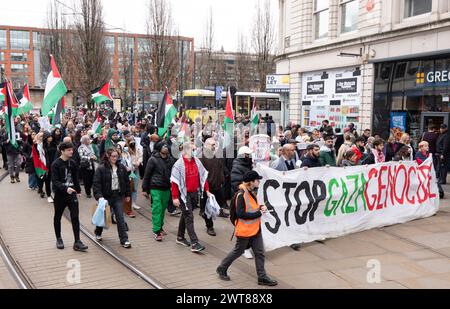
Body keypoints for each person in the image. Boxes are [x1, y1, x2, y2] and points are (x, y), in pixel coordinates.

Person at [216, 171, 278, 287]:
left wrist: (260, 207)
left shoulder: (250, 192)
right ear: (251, 182)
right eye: (257, 180)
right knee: (238, 251)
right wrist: (259, 213)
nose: (259, 181)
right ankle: (222, 267)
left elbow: (251, 208)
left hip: (255, 229)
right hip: (245, 230)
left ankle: (262, 277)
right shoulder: (241, 195)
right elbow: (240, 214)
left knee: (259, 252)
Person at [171, 141, 211, 253]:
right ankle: (194, 243)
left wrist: (207, 190)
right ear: (184, 150)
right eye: (191, 149)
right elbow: (174, 182)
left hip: (194, 193)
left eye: (194, 150)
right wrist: (175, 197)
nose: (194, 151)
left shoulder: (197, 161)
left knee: (186, 214)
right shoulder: (178, 164)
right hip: (183, 194)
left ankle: (180, 237)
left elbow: (203, 176)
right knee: (189, 216)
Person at [51, 142, 88, 252]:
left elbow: (76, 178)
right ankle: (58, 238)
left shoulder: (72, 163)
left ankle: (77, 241)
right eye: (69, 150)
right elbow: (55, 181)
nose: (71, 152)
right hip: (60, 195)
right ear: (62, 151)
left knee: (75, 217)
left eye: (72, 150)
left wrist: (78, 190)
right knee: (58, 216)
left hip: (72, 194)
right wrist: (65, 188)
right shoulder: (55, 164)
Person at [93, 148, 132, 248]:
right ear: (108, 156)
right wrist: (99, 197)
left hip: (118, 196)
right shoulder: (101, 169)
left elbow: (126, 182)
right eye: (113, 156)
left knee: (120, 218)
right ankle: (98, 232)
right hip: (106, 198)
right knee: (104, 217)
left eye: (116, 156)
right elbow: (96, 184)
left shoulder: (121, 167)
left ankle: (124, 239)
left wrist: (128, 195)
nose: (115, 158)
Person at [142, 142, 175, 241]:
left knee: (163, 209)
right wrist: (145, 189)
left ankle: (160, 227)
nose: (166, 147)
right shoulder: (152, 160)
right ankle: (156, 231)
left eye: (166, 146)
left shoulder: (170, 159)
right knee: (157, 208)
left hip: (166, 188)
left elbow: (174, 173)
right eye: (164, 146)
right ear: (159, 148)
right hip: (155, 188)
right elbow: (147, 174)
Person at [199, 138, 229, 237]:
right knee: (208, 208)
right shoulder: (202, 157)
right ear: (206, 145)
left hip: (217, 185)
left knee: (220, 202)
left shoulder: (216, 155)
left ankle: (219, 211)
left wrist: (222, 180)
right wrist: (205, 187)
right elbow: (201, 174)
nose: (214, 146)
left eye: (214, 145)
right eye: (212, 145)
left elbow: (220, 168)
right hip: (208, 188)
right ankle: (209, 226)